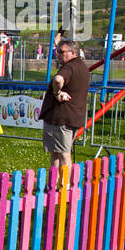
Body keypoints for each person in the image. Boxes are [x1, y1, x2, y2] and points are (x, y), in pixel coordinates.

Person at [39, 38, 91, 170]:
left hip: (61, 117)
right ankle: (56, 183)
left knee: (62, 154)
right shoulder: (83, 67)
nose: (58, 55)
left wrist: (57, 93)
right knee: (58, 152)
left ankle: (65, 185)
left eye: (61, 52)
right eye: (57, 51)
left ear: (73, 52)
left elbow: (58, 79)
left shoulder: (69, 67)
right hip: (74, 117)